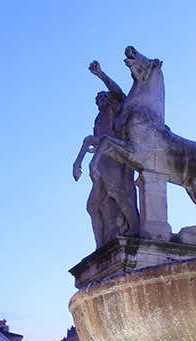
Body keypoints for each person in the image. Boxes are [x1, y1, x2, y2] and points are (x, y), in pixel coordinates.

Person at [73, 61, 140, 248]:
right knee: (92, 206)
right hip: (102, 162)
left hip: (114, 159)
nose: (100, 101)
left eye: (103, 98)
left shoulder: (116, 110)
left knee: (116, 192)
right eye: (98, 100)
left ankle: (135, 230)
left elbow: (117, 92)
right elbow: (96, 140)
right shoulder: (98, 118)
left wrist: (100, 74)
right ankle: (100, 245)